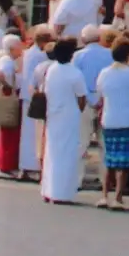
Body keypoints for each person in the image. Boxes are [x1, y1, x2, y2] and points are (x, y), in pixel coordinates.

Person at [95, 40, 129, 210]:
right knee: (123, 162)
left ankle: (104, 195)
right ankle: (118, 196)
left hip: (109, 119)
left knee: (109, 159)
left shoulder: (104, 72)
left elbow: (100, 93)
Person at [40, 38, 87, 204]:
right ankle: (62, 193)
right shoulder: (75, 73)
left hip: (53, 113)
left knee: (51, 152)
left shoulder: (51, 70)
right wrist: (77, 111)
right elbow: (82, 98)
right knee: (67, 153)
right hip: (69, 114)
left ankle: (48, 189)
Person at [73, 24, 113, 191]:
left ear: (83, 39)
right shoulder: (109, 55)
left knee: (81, 142)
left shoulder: (78, 56)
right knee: (104, 144)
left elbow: (76, 80)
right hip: (104, 101)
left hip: (85, 102)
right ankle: (105, 180)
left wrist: (88, 99)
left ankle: (77, 179)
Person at [19, 24, 53, 182]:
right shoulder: (42, 56)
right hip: (37, 97)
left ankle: (25, 166)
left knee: (27, 135)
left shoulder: (28, 53)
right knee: (36, 135)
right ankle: (34, 167)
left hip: (27, 96)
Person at [0, 34, 24, 179]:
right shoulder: (6, 61)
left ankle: (5, 165)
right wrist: (8, 87)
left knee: (8, 134)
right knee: (8, 135)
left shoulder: (8, 61)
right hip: (8, 99)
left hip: (7, 97)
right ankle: (5, 166)